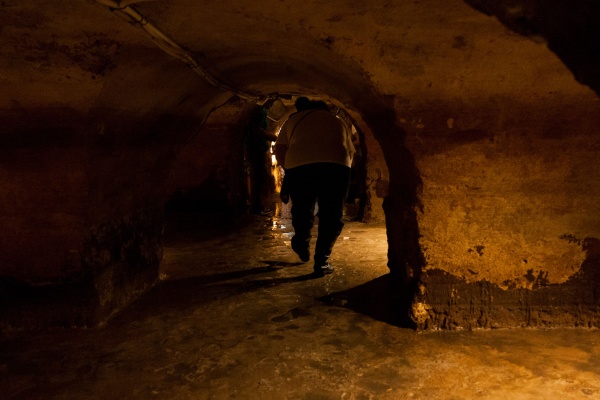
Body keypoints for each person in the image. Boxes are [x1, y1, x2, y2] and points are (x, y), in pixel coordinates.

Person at [275, 97, 355, 276]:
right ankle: (322, 262)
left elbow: (279, 148)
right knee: (331, 214)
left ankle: (302, 242)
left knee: (303, 207)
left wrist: (288, 168)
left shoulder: (293, 119)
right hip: (337, 167)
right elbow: (350, 152)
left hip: (301, 167)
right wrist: (345, 175)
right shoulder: (338, 121)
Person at [245, 105, 277, 214]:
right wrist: (274, 137)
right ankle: (256, 207)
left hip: (254, 148)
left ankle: (257, 205)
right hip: (256, 149)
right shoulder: (260, 111)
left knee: (257, 177)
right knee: (258, 177)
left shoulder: (257, 110)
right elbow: (258, 130)